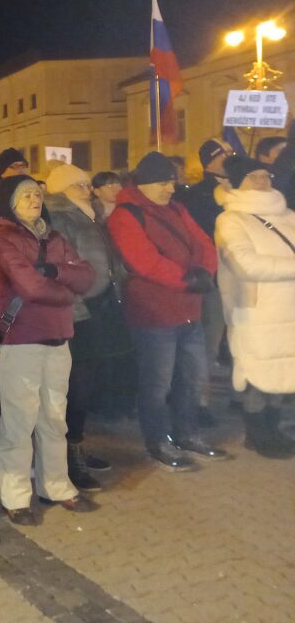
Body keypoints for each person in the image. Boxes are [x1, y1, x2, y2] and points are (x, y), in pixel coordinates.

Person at [107, 152, 227, 472]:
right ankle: (158, 440)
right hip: (154, 313)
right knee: (157, 384)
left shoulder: (177, 208)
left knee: (191, 378)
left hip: (189, 309)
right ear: (144, 184)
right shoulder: (125, 214)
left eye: (171, 182)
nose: (170, 189)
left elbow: (204, 244)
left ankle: (188, 434)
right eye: (163, 183)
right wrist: (188, 281)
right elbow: (144, 261)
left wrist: (204, 270)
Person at [0, 175, 96, 525]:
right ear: (9, 203)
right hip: (21, 338)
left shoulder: (55, 236)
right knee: (19, 420)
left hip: (58, 335)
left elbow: (87, 276)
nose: (34, 199)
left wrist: (54, 269)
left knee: (54, 416)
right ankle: (15, 494)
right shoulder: (1, 239)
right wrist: (66, 290)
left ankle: (56, 484)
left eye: (36, 193)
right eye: (25, 195)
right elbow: (30, 286)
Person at [45, 164, 130, 492]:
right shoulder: (60, 217)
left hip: (102, 307)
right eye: (77, 185)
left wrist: (118, 276)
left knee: (90, 382)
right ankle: (67, 454)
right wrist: (76, 307)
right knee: (75, 386)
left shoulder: (92, 214)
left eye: (86, 183)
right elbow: (63, 269)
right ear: (61, 190)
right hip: (78, 311)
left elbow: (108, 258)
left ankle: (78, 445)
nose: (86, 189)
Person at [214, 157, 295, 458]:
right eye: (253, 176)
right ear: (238, 182)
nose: (263, 180)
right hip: (257, 310)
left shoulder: (287, 214)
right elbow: (246, 264)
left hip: (290, 309)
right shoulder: (231, 219)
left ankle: (274, 429)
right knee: (258, 374)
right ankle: (257, 433)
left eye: (265, 175)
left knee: (285, 372)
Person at [178, 138, 235, 427]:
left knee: (240, 339)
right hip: (213, 279)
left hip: (239, 278)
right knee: (208, 343)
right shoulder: (199, 194)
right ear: (211, 159)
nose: (232, 155)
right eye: (226, 152)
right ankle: (198, 401)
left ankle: (242, 395)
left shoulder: (242, 188)